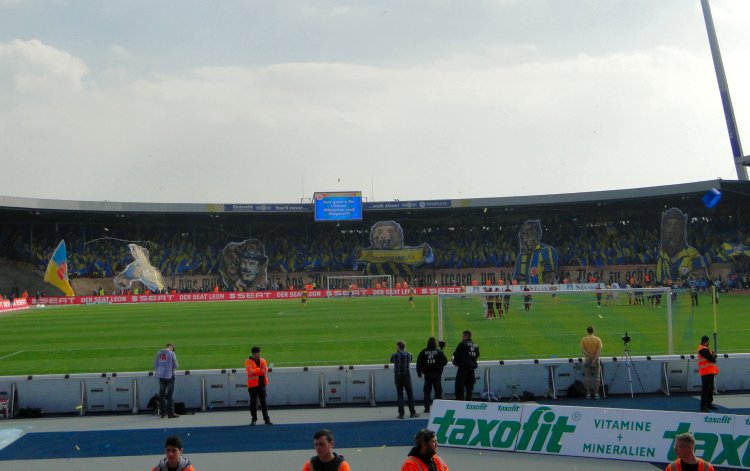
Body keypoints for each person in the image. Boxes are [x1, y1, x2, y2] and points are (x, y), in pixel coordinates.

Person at [656, 208, 708, 284]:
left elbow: (701, 278)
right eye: (668, 225)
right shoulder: (662, 257)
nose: (671, 230)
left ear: (682, 232)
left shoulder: (693, 255)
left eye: (675, 226)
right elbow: (659, 281)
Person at [514, 219, 558, 284]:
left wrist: (543, 292)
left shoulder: (546, 251)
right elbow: (518, 279)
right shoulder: (520, 257)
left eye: (528, 235)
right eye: (522, 235)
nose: (525, 239)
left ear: (536, 235)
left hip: (541, 292)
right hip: (526, 293)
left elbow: (550, 277)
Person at [416, 337, 448, 413]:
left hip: (427, 375)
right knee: (438, 392)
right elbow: (444, 362)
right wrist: (442, 350)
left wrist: (419, 372)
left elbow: (419, 363)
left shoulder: (423, 352)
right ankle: (439, 408)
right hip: (437, 374)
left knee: (427, 392)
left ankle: (427, 408)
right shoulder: (439, 352)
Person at [391, 340, 419, 419]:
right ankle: (412, 412)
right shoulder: (409, 355)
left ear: (398, 347)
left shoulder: (395, 355)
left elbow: (391, 360)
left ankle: (401, 414)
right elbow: (410, 359)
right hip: (406, 376)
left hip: (398, 377)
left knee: (400, 395)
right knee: (410, 394)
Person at [245, 345, 272, 425]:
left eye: (259, 353)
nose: (259, 354)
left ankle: (266, 419)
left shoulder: (263, 360)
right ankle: (254, 419)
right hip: (253, 386)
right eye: (257, 353)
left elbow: (265, 371)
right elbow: (250, 372)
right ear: (254, 354)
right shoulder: (248, 361)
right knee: (253, 403)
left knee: (264, 402)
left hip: (262, 384)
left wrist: (256, 371)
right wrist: (260, 370)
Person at [452, 330, 479, 401]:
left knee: (459, 387)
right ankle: (468, 405)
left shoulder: (462, 344)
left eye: (463, 336)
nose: (462, 337)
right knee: (469, 389)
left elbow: (456, 355)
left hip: (463, 369)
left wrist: (455, 362)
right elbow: (477, 355)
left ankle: (460, 405)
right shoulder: (476, 345)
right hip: (471, 370)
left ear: (466, 336)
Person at [154, 343, 179, 418]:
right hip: (170, 376)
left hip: (161, 376)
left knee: (162, 395)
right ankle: (170, 413)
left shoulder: (158, 353)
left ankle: (163, 413)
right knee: (170, 395)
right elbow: (176, 365)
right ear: (171, 347)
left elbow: (155, 365)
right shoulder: (172, 354)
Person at [697, 335, 719, 413]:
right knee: (706, 389)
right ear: (707, 341)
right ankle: (703, 406)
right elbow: (713, 358)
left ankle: (709, 404)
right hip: (706, 372)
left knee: (709, 389)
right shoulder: (703, 349)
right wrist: (713, 356)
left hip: (709, 371)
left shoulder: (704, 348)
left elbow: (712, 355)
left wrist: (713, 355)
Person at [580, 326, 602, 399]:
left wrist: (590, 356)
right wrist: (594, 358)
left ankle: (588, 394)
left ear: (587, 331)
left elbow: (583, 350)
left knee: (587, 378)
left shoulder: (584, 339)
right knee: (597, 378)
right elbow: (599, 351)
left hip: (587, 360)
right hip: (595, 360)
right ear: (593, 331)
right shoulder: (598, 339)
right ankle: (596, 394)